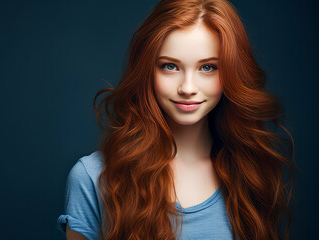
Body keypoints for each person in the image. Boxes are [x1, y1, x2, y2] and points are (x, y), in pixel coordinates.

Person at [57, 0, 295, 239]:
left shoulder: (250, 172)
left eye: (208, 67)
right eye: (170, 66)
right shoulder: (92, 177)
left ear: (231, 71)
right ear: (147, 70)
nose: (187, 88)